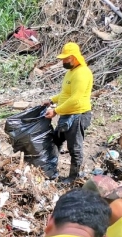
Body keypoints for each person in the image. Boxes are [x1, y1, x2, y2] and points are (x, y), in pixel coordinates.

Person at [42, 42, 93, 180]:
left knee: (75, 148)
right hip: (67, 115)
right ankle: (50, 169)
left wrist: (56, 111)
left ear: (75, 57)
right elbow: (66, 94)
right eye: (63, 59)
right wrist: (52, 100)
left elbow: (75, 99)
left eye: (66, 59)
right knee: (55, 141)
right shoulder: (71, 72)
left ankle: (73, 177)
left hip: (77, 115)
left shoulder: (82, 73)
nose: (63, 61)